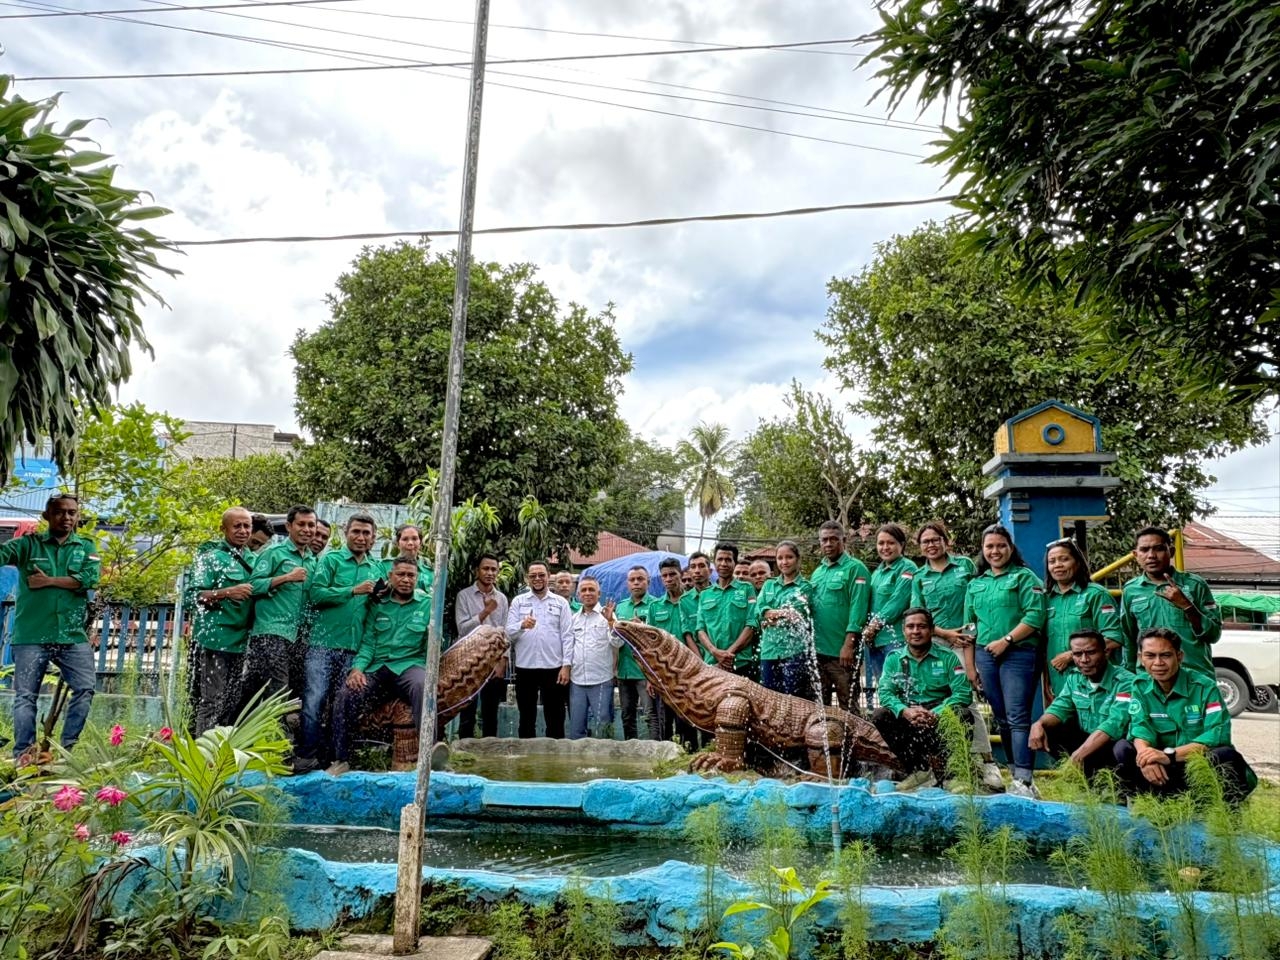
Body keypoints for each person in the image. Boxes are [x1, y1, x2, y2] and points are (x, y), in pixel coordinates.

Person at [0, 494, 101, 762]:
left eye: (72, 512)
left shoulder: (85, 547)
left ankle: (66, 753)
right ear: (47, 516)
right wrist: (69, 581)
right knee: (25, 696)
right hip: (32, 633)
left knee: (85, 689)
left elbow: (89, 579)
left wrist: (48, 581)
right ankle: (24, 755)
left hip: (71, 635)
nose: (66, 517)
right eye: (59, 512)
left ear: (77, 516)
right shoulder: (27, 545)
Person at [909, 521, 1002, 791]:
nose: (931, 545)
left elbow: (974, 604)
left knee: (967, 701)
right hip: (934, 643)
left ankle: (987, 763)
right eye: (925, 541)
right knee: (934, 700)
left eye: (935, 539)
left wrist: (966, 640)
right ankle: (942, 766)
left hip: (965, 642)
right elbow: (919, 614)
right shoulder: (919, 576)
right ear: (920, 547)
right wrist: (944, 633)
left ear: (945, 541)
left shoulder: (965, 566)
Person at [1114, 627, 1256, 803]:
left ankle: (1226, 811)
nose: (1158, 663)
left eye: (1165, 655)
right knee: (1122, 748)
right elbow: (1140, 726)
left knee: (1226, 755)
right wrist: (1146, 757)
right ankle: (1151, 804)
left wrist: (1169, 756)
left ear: (1179, 656)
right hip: (1161, 770)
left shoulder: (1204, 686)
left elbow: (1217, 733)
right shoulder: (1140, 686)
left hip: (1194, 766)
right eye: (1150, 656)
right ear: (1141, 658)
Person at [964, 523, 1046, 798]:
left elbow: (1035, 616)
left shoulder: (1024, 577)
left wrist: (1007, 640)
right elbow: (969, 628)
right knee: (1001, 719)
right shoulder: (976, 584)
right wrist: (970, 667)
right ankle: (1015, 774)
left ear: (1011, 548)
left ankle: (1024, 779)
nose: (995, 551)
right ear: (983, 550)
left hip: (1019, 653)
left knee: (1017, 717)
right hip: (985, 656)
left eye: (1001, 545)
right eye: (990, 546)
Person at [328, 557, 430, 776]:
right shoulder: (378, 604)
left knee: (422, 686)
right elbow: (368, 642)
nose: (406, 579)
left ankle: (429, 753)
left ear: (417, 578)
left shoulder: (428, 604)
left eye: (411, 575)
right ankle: (341, 759)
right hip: (378, 667)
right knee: (346, 694)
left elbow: (433, 645)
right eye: (400, 574)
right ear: (391, 576)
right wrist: (357, 669)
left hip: (409, 665)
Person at [295, 512, 380, 772]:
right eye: (356, 531)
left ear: (373, 537)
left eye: (366, 533)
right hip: (322, 644)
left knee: (342, 705)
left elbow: (374, 613)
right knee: (314, 700)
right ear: (346, 533)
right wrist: (352, 590)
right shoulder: (331, 560)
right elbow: (316, 594)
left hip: (353, 649)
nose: (361, 537)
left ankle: (336, 758)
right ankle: (306, 756)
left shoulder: (376, 569)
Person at [871, 607, 974, 791]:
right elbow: (885, 693)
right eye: (910, 627)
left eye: (922, 626)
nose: (916, 631)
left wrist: (936, 713)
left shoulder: (948, 657)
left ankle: (954, 776)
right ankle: (919, 771)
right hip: (910, 717)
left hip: (939, 717)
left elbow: (963, 693)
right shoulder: (894, 659)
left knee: (963, 714)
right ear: (904, 631)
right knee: (880, 715)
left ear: (932, 630)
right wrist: (905, 711)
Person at [243, 505, 318, 731]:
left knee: (271, 691)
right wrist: (286, 577)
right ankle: (274, 742)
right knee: (278, 691)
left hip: (296, 636)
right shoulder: (273, 553)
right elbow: (252, 586)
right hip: (270, 632)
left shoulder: (312, 560)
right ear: (289, 526)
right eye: (301, 524)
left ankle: (249, 735)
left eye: (311, 525)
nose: (307, 529)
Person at [187, 507, 256, 734]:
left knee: (232, 700)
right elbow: (193, 596)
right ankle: (201, 749)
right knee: (212, 699)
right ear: (223, 529)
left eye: (247, 526)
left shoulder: (255, 560)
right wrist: (227, 592)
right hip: (216, 639)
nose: (243, 531)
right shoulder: (211, 558)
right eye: (237, 526)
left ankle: (222, 746)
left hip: (243, 641)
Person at [1029, 629, 1134, 778]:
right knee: (1048, 729)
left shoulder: (1126, 682)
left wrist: (1079, 754)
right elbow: (1059, 708)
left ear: (1105, 652)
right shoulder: (1075, 678)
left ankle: (1120, 785)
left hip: (1111, 745)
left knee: (1122, 748)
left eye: (1091, 652)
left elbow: (1115, 724)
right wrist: (1038, 724)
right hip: (1088, 743)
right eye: (1078, 654)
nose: (1084, 660)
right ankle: (1087, 779)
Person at [1120, 527, 1221, 677]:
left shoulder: (1195, 585)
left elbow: (1214, 634)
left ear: (1171, 551)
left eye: (1159, 549)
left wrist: (1187, 606)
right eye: (1144, 550)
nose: (1151, 555)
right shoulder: (1130, 591)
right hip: (1149, 679)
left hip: (1194, 677)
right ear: (1136, 555)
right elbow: (1128, 639)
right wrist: (1129, 678)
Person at [1043, 538, 1123, 699]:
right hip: (1059, 681)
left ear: (1077, 563)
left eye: (1064, 559)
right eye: (1052, 561)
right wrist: (1046, 679)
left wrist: (1071, 655)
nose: (1057, 565)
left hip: (1095, 681)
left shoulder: (1096, 594)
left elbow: (1114, 638)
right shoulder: (1046, 599)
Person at [504, 561, 573, 738]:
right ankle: (526, 755)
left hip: (554, 668)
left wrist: (566, 666)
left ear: (549, 576)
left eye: (541, 575)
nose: (537, 579)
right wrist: (522, 625)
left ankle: (555, 754)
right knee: (526, 718)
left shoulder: (560, 603)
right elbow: (508, 633)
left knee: (555, 717)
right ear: (527, 578)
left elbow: (567, 635)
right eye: (533, 575)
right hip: (525, 668)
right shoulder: (519, 602)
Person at [808, 520, 871, 712]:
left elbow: (859, 608)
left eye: (833, 539)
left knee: (848, 707)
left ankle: (854, 734)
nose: (828, 544)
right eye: (824, 540)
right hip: (818, 652)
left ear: (844, 540)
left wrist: (849, 644)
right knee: (821, 708)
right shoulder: (818, 572)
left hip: (843, 653)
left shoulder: (856, 568)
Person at [862, 523, 919, 710]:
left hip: (896, 641)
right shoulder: (877, 573)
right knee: (886, 691)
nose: (885, 547)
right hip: (875, 642)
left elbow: (898, 602)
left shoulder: (907, 567)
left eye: (891, 543)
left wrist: (874, 625)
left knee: (903, 691)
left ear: (901, 545)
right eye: (881, 543)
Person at [454, 553, 509, 738]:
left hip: (493, 660)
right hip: (468, 659)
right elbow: (462, 629)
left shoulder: (502, 598)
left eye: (494, 569)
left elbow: (504, 631)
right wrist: (485, 611)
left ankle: (489, 752)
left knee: (490, 712)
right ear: (476, 571)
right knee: (467, 711)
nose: (490, 573)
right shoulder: (464, 596)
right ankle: (463, 750)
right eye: (486, 568)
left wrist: (503, 660)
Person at [750, 541, 813, 698]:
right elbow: (758, 611)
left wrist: (769, 616)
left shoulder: (805, 587)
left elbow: (797, 614)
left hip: (794, 652)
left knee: (793, 698)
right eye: (780, 558)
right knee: (770, 698)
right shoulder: (769, 585)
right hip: (769, 652)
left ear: (798, 559)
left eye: (789, 557)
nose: (784, 562)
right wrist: (782, 613)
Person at [565, 577, 620, 739]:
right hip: (577, 680)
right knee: (576, 729)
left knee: (604, 727)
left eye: (591, 590)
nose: (587, 593)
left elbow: (618, 643)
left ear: (599, 593)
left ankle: (606, 755)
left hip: (602, 680)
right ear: (578, 595)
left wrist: (611, 622)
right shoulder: (574, 619)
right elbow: (568, 646)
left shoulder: (608, 615)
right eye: (584, 590)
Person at [696, 542, 758, 679]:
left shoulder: (747, 589)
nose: (723, 563)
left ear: (734, 563)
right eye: (720, 559)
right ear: (714, 562)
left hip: (740, 663)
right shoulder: (705, 594)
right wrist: (715, 652)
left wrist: (727, 655)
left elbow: (751, 625)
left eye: (728, 560)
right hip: (713, 664)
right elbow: (700, 629)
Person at [651, 557, 694, 744]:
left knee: (687, 720)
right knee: (664, 721)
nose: (668, 579)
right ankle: (666, 758)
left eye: (672, 575)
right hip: (664, 672)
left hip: (689, 671)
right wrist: (651, 676)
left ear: (681, 575)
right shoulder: (655, 607)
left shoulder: (693, 601)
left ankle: (690, 754)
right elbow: (651, 644)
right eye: (664, 576)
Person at [615, 565, 656, 738]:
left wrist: (643, 629)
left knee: (650, 715)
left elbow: (659, 641)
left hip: (645, 672)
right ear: (627, 583)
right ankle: (630, 749)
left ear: (648, 582)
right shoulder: (620, 607)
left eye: (640, 579)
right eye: (632, 580)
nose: (636, 583)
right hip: (624, 671)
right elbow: (614, 639)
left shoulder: (656, 605)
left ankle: (656, 750)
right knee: (627, 715)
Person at [385, 523, 434, 594]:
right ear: (397, 543)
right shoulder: (383, 566)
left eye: (414, 539)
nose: (410, 543)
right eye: (405, 539)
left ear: (420, 543)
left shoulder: (430, 573)